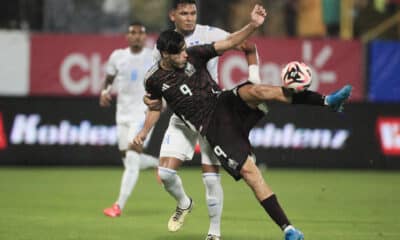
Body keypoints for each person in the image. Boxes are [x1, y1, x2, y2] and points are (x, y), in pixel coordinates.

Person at [133, 4, 353, 240]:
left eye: (185, 50)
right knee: (251, 173)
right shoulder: (153, 80)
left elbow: (229, 44)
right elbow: (154, 105)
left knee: (257, 90)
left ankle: (328, 101)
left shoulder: (195, 54)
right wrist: (145, 131)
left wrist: (253, 25)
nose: (185, 55)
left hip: (222, 101)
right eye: (179, 53)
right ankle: (288, 229)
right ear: (165, 55)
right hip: (211, 127)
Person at [147, 1, 261, 239]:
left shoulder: (210, 35)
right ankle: (184, 203)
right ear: (172, 15)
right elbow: (160, 87)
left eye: (193, 13)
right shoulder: (164, 45)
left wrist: (254, 79)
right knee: (166, 174)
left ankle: (214, 233)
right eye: (184, 13)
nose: (190, 18)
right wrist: (153, 104)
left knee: (210, 179)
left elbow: (247, 47)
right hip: (183, 117)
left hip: (211, 114)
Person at [99, 21, 159, 217]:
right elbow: (109, 79)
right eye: (133, 33)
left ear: (145, 36)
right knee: (129, 159)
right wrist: (105, 92)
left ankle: (118, 206)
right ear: (127, 36)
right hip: (122, 115)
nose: (137, 36)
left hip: (142, 115)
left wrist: (162, 100)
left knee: (132, 159)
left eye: (141, 33)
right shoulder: (118, 56)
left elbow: (164, 80)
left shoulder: (152, 56)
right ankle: (157, 164)